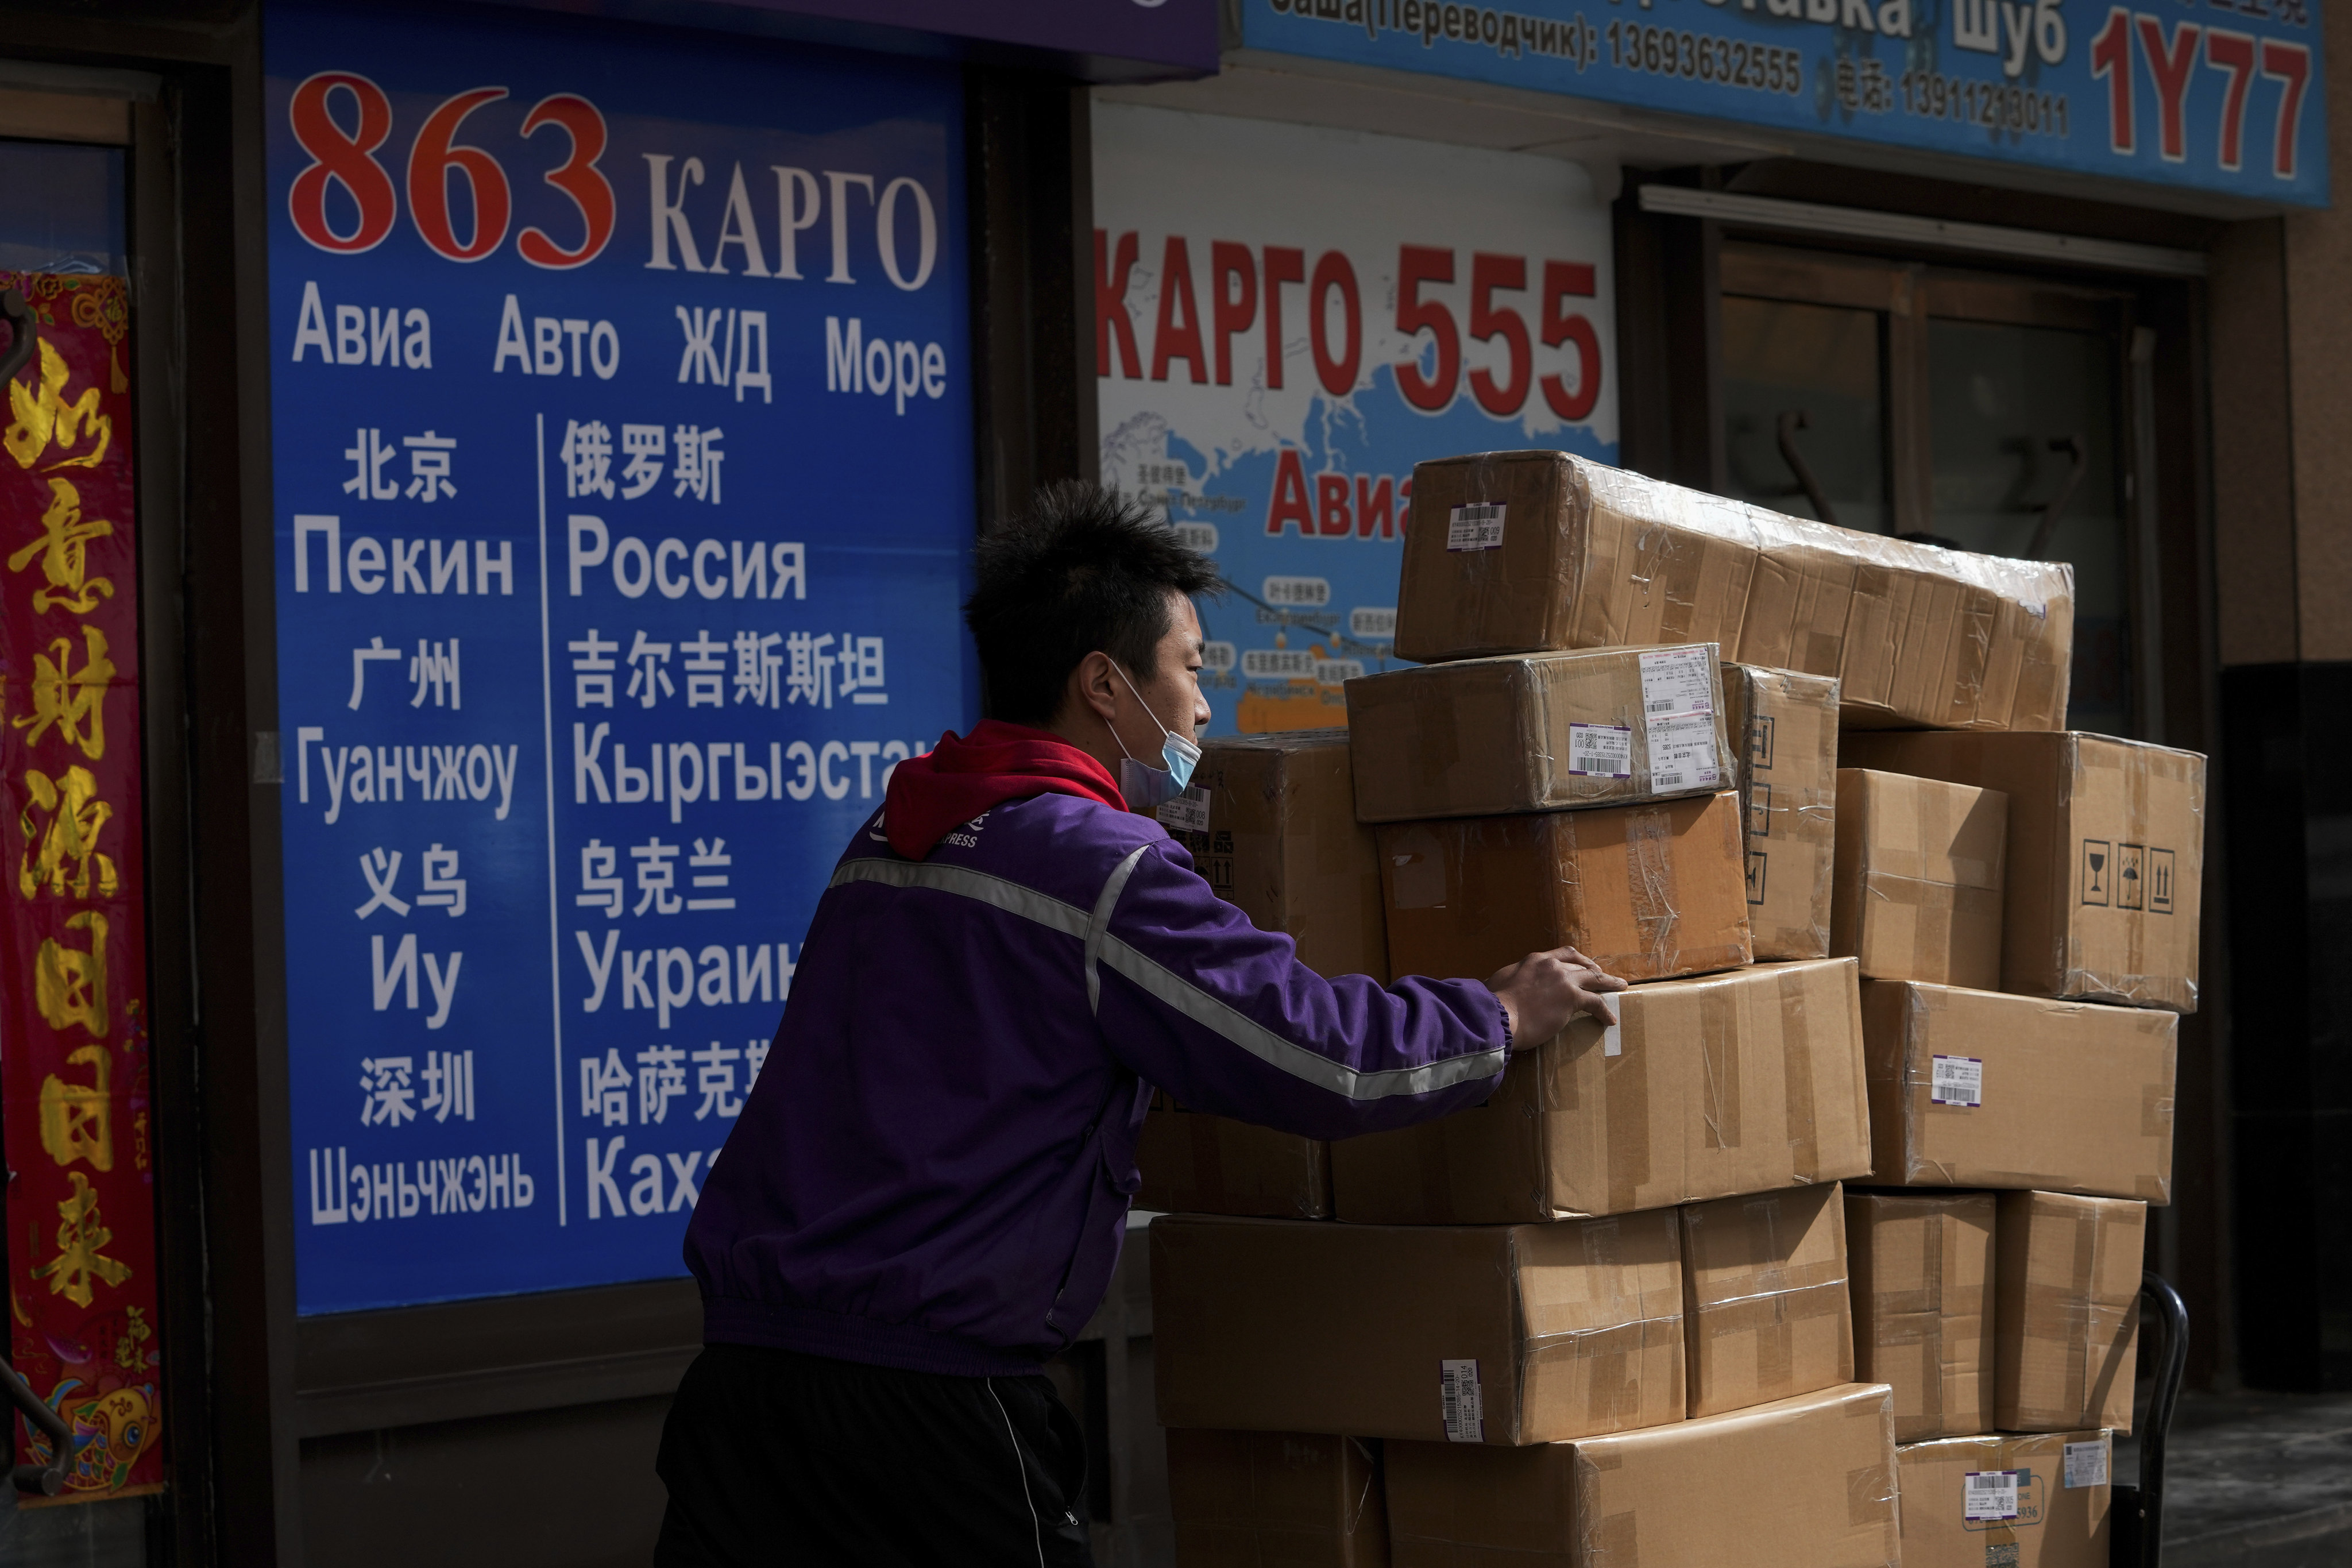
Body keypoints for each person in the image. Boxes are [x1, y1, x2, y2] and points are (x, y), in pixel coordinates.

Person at [655, 482, 1627, 1567]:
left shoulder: (891, 836)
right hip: (925, 1410)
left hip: (742, 1390)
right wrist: (1493, 1012)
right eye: (1193, 667)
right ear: (1106, 685)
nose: (1205, 707)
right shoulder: (1100, 865)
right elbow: (1309, 1050)